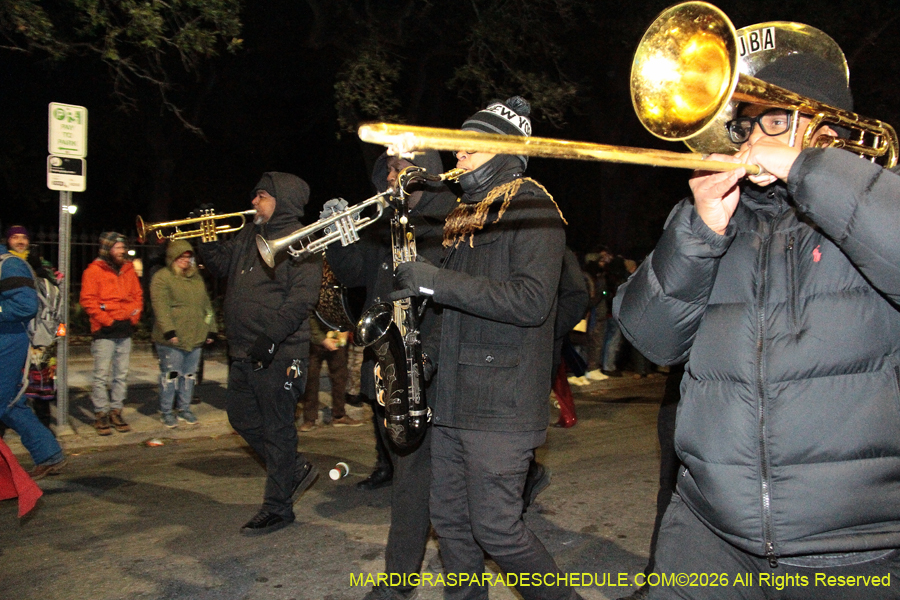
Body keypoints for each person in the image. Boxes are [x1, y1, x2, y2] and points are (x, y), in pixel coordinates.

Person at [614, 51, 900, 600]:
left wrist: (810, 173)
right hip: (706, 536)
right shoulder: (713, 213)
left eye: (771, 120)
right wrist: (697, 232)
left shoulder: (876, 204)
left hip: (857, 551)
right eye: (745, 124)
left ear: (825, 128)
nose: (747, 139)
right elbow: (651, 338)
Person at [392, 96, 582, 600]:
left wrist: (434, 281)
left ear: (500, 149)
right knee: (450, 524)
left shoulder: (533, 205)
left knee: (497, 529)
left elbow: (533, 301)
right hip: (453, 397)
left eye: (469, 149)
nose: (458, 157)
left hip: (501, 404)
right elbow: (452, 309)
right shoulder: (465, 214)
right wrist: (423, 357)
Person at [325, 146, 457, 600]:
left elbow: (453, 305)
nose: (390, 177)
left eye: (399, 169)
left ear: (426, 175)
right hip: (389, 370)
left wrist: (424, 359)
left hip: (429, 373)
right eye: (388, 171)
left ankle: (399, 581)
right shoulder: (386, 227)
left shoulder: (450, 225)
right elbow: (353, 273)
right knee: (418, 476)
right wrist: (341, 235)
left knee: (415, 479)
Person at [199, 172, 322, 536]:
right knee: (240, 417)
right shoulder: (249, 234)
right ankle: (292, 470)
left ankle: (278, 507)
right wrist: (206, 234)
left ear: (281, 199)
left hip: (280, 352)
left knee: (277, 429)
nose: (254, 201)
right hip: (243, 349)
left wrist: (271, 338)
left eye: (262, 195)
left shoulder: (301, 240)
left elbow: (302, 298)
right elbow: (220, 265)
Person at [0, 238, 67, 480]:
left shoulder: (9, 265)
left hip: (8, 344)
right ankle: (49, 454)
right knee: (10, 404)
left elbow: (25, 306)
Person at [79, 232, 143, 436]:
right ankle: (101, 413)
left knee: (121, 375)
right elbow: (88, 300)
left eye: (122, 247)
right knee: (101, 375)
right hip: (105, 330)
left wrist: (132, 318)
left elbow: (137, 296)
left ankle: (116, 410)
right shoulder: (93, 271)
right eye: (117, 247)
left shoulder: (128, 268)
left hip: (124, 328)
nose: (121, 251)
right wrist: (107, 320)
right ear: (107, 249)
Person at [149, 239, 216, 428]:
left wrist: (211, 329)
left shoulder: (196, 279)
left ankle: (184, 408)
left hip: (194, 336)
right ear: (172, 259)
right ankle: (166, 410)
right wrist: (169, 331)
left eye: (188, 257)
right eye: (181, 257)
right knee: (170, 375)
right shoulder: (162, 277)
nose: (185, 261)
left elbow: (206, 306)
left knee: (189, 376)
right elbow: (160, 307)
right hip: (172, 340)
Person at [297, 308, 360, 431]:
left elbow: (344, 311)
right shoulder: (315, 292)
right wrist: (322, 339)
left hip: (336, 335)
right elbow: (310, 315)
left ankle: (339, 414)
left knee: (340, 376)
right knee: (311, 379)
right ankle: (309, 419)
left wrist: (344, 330)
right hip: (314, 341)